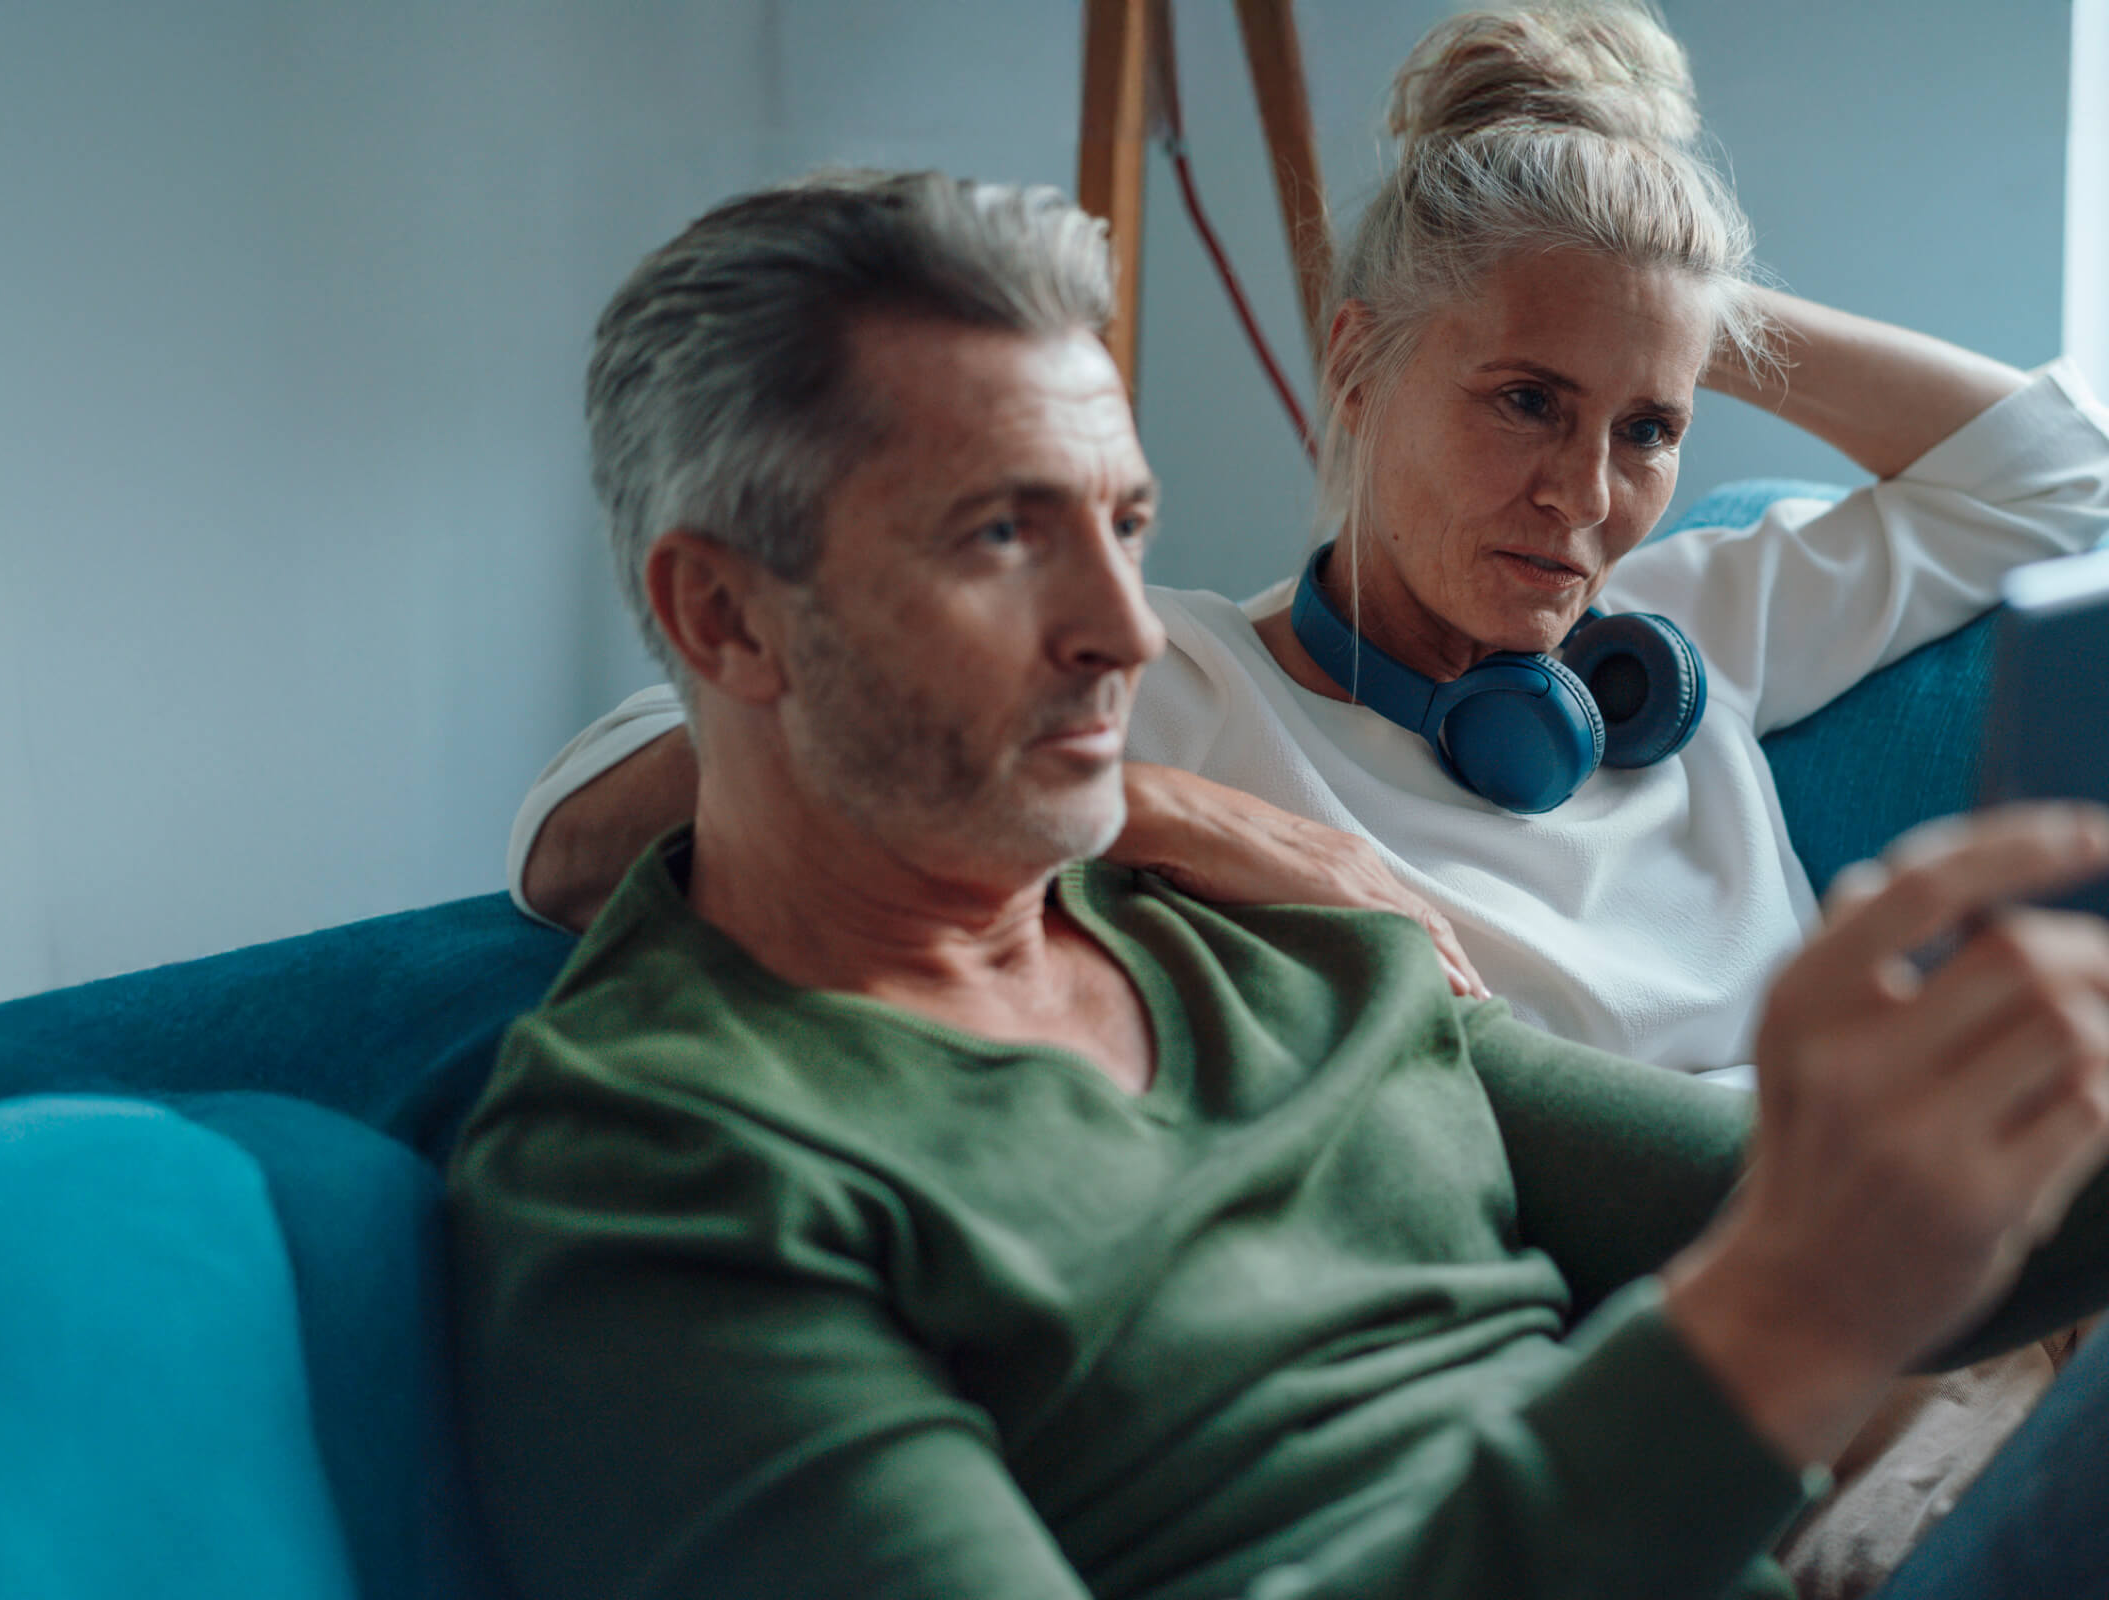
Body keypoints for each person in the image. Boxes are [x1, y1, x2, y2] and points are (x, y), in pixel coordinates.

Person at [449, 166, 2109, 1600]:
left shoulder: (1269, 946)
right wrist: (1782, 1323)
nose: (1122, 630)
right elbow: (1795, 1270)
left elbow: (1815, 1206)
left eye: (1126, 526)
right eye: (1001, 538)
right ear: (724, 617)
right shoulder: (668, 1168)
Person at [503, 2, 2109, 1084]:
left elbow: (2062, 476)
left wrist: (1650, 283)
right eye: (1527, 399)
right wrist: (1168, 808)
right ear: (1359, 362)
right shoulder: (1180, 685)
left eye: (1648, 429)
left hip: (1905, 1254)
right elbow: (569, 836)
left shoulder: (1690, 630)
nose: (1583, 495)